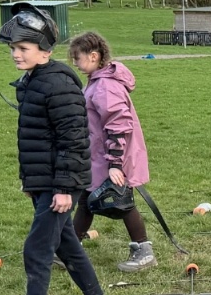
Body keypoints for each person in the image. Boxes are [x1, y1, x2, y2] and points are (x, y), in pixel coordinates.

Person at [0, 4, 117, 295]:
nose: (16, 54)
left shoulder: (59, 84)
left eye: (23, 48)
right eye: (13, 48)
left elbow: (74, 140)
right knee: (67, 245)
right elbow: (36, 139)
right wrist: (30, 181)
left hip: (61, 184)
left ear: (45, 51)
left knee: (37, 251)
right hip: (44, 181)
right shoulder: (34, 80)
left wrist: (63, 188)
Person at [67, 31, 156, 273]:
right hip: (99, 155)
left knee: (122, 201)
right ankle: (69, 251)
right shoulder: (97, 81)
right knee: (86, 200)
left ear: (93, 56)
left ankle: (144, 252)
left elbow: (118, 125)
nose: (75, 63)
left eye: (77, 58)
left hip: (113, 157)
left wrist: (115, 163)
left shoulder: (105, 85)